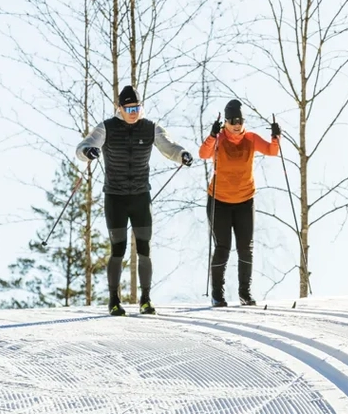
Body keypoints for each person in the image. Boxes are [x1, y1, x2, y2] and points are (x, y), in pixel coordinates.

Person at [76, 85, 193, 316]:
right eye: (129, 108)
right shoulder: (107, 128)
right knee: (118, 248)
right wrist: (88, 152)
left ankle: (146, 300)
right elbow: (83, 147)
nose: (133, 112)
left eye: (137, 107)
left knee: (144, 249)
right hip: (115, 198)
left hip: (140, 196)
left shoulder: (150, 128)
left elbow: (169, 147)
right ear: (119, 107)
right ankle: (114, 301)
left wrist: (182, 155)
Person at [198, 99, 280, 307]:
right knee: (223, 247)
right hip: (219, 201)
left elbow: (272, 151)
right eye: (233, 120)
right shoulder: (218, 139)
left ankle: (245, 292)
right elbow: (203, 154)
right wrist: (211, 136)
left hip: (245, 200)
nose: (237, 124)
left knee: (245, 247)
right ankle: (218, 294)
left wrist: (276, 136)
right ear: (225, 122)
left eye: (240, 120)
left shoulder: (251, 139)